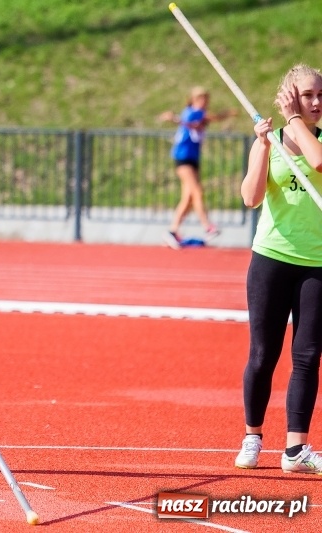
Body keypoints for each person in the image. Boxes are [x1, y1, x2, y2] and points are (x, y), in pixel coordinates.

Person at [234, 63, 322, 473]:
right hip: (271, 258)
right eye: (308, 96)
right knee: (263, 353)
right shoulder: (268, 140)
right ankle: (252, 436)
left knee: (307, 355)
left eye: (321, 96)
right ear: (291, 97)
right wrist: (265, 146)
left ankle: (295, 450)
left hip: (317, 264)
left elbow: (318, 162)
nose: (317, 102)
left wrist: (295, 122)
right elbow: (250, 197)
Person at [159, 86, 236, 249]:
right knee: (197, 191)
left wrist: (227, 114)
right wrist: (174, 119)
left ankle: (172, 230)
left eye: (206, 99)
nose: (205, 102)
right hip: (183, 157)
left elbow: (211, 119)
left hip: (193, 159)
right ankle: (207, 226)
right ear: (194, 99)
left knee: (187, 199)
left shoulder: (200, 116)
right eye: (202, 99)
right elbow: (193, 124)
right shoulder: (191, 112)